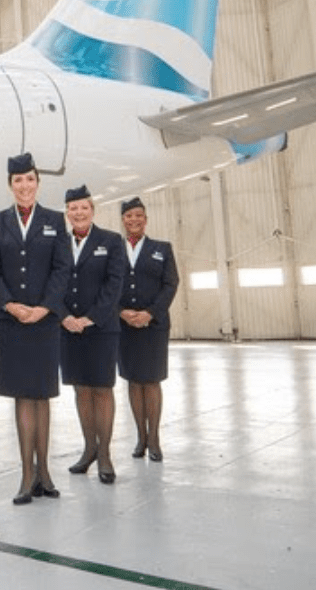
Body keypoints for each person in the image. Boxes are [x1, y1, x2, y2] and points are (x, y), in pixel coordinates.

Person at [0, 153, 70, 505]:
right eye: (18, 180)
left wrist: (45, 307)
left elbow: (62, 268)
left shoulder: (54, 220)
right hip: (11, 321)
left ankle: (44, 473)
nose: (25, 186)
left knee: (42, 395)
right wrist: (9, 304)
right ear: (10, 185)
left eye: (30, 179)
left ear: (38, 182)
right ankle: (26, 475)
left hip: (43, 321)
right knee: (23, 395)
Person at [60, 185, 125, 484]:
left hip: (100, 328)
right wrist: (64, 316)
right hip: (68, 328)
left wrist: (90, 318)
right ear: (67, 213)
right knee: (81, 390)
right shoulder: (59, 243)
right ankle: (89, 449)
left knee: (101, 389)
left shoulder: (111, 241)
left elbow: (114, 284)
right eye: (73, 208)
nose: (78, 213)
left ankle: (105, 454)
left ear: (92, 210)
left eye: (84, 208)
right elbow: (51, 282)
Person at [118, 197, 179, 462]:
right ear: (123, 220)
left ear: (146, 219)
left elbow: (170, 284)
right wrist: (121, 311)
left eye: (138, 215)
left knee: (151, 380)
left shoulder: (162, 249)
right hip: (124, 325)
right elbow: (107, 285)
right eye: (129, 215)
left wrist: (150, 313)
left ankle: (154, 438)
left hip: (153, 325)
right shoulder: (115, 249)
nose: (134, 220)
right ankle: (140, 437)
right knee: (133, 380)